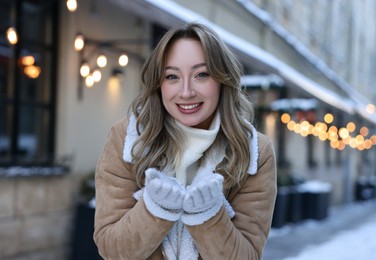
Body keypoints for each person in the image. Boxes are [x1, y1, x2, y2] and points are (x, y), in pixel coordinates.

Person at [93, 22, 277, 260]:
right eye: (172, 76)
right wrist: (155, 210)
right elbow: (111, 249)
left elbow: (247, 256)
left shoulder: (254, 152)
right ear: (159, 84)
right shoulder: (128, 139)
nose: (186, 92)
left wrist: (208, 214)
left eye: (201, 74)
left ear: (223, 80)